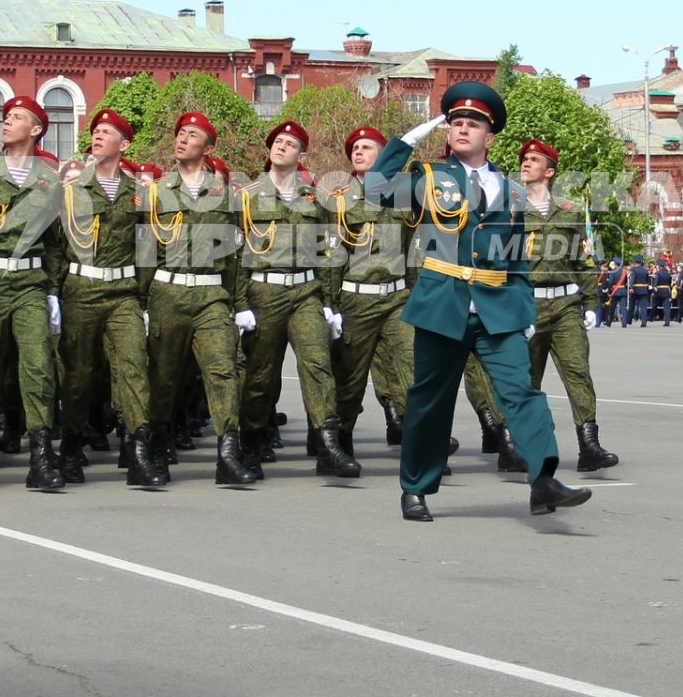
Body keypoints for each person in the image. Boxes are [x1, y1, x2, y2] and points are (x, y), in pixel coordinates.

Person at [366, 81, 591, 521]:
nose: (462, 128)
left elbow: (516, 254)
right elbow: (375, 189)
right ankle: (415, 487)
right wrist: (407, 141)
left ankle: (543, 479)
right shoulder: (428, 178)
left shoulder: (510, 190)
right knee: (430, 400)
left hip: (497, 308)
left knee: (523, 394)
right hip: (442, 304)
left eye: (473, 123)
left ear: (490, 136)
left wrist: (524, 309)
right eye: (456, 122)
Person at [0, 97, 67, 489]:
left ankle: (40, 456)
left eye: (17, 117)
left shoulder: (48, 181)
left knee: (38, 365)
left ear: (36, 129)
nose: (6, 122)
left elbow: (54, 243)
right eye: (5, 117)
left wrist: (52, 291)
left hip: (30, 284)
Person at [235, 119, 352, 478]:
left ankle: (328, 443)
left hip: (305, 292)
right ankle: (251, 443)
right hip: (263, 292)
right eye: (277, 141)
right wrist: (239, 304)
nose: (281, 146)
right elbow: (234, 252)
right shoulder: (247, 196)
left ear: (302, 154)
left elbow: (329, 250)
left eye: (290, 143)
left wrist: (329, 302)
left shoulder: (315, 199)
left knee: (317, 365)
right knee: (260, 375)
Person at [141, 111, 252, 486]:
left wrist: (239, 304)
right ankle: (155, 449)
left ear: (208, 146)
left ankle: (228, 454)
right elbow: (144, 252)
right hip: (167, 291)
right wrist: (141, 304)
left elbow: (237, 254)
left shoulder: (227, 195)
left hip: (211, 293)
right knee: (164, 376)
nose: (182, 139)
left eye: (192, 134)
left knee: (222, 371)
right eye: (180, 134)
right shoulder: (156, 192)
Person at [59, 107, 161, 487]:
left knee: (134, 367)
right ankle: (70, 448)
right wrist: (55, 296)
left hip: (123, 294)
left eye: (107, 132)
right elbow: (56, 248)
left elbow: (148, 248)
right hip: (81, 290)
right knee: (79, 374)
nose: (98, 136)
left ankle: (137, 451)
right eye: (96, 131)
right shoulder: (69, 192)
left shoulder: (139, 195)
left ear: (124, 144)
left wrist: (143, 295)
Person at [518, 137, 618, 472]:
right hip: (528, 307)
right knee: (526, 380)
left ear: (549, 171)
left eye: (534, 159)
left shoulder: (569, 212)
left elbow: (582, 261)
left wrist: (592, 303)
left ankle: (589, 445)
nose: (526, 163)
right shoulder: (511, 210)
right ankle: (523, 447)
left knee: (578, 372)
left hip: (565, 305)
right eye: (525, 159)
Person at [328, 125, 415, 463]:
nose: (358, 152)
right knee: (350, 376)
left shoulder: (402, 197)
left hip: (397, 298)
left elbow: (412, 249)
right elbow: (332, 256)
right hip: (355, 298)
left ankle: (418, 443)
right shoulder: (338, 201)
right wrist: (329, 304)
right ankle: (341, 441)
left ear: (386, 155)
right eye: (355, 148)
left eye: (367, 147)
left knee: (412, 369)